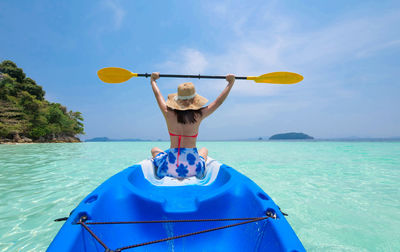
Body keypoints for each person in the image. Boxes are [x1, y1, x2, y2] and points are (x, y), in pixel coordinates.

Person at [150, 72, 235, 179]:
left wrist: (153, 80)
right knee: (204, 150)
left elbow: (158, 95)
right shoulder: (198, 115)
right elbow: (218, 102)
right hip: (194, 169)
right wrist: (230, 83)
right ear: (195, 100)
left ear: (177, 100)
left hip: (169, 168)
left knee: (154, 149)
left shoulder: (168, 113)